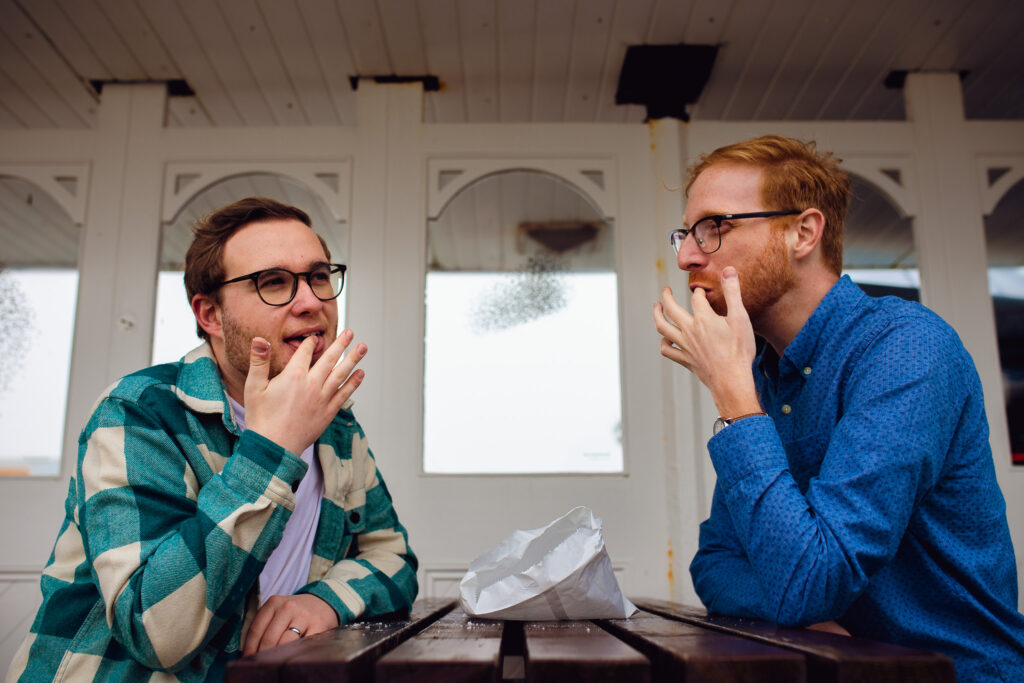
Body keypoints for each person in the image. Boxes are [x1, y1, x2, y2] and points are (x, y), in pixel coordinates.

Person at [652, 135, 1024, 681]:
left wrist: (733, 399)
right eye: (687, 233)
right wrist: (797, 604)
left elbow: (810, 580)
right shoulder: (762, 375)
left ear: (803, 232)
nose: (686, 255)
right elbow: (716, 565)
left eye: (715, 228)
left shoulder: (906, 348)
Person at [7, 197, 418, 682]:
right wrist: (272, 451)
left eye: (320, 276)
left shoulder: (337, 427)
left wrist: (324, 602)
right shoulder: (139, 411)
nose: (311, 302)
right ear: (211, 315)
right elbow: (156, 632)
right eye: (274, 283)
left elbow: (393, 557)